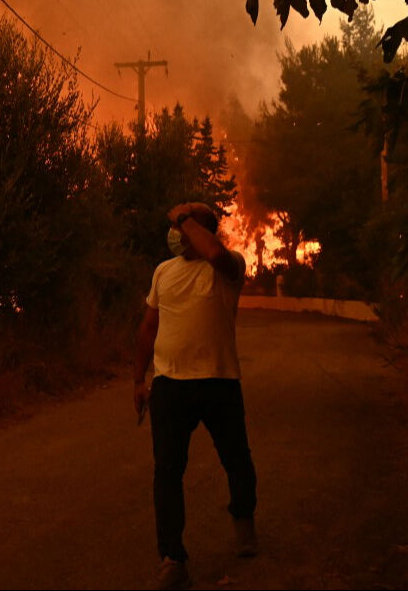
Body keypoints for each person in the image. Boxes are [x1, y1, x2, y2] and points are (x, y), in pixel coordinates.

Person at [133, 201, 258, 590]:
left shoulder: (229, 267)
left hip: (219, 381)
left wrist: (183, 217)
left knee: (236, 461)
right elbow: (149, 326)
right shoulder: (163, 271)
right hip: (170, 385)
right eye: (176, 223)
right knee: (167, 472)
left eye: (183, 224)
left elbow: (216, 253)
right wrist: (138, 380)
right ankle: (172, 558)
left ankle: (243, 520)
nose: (175, 231)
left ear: (199, 230)